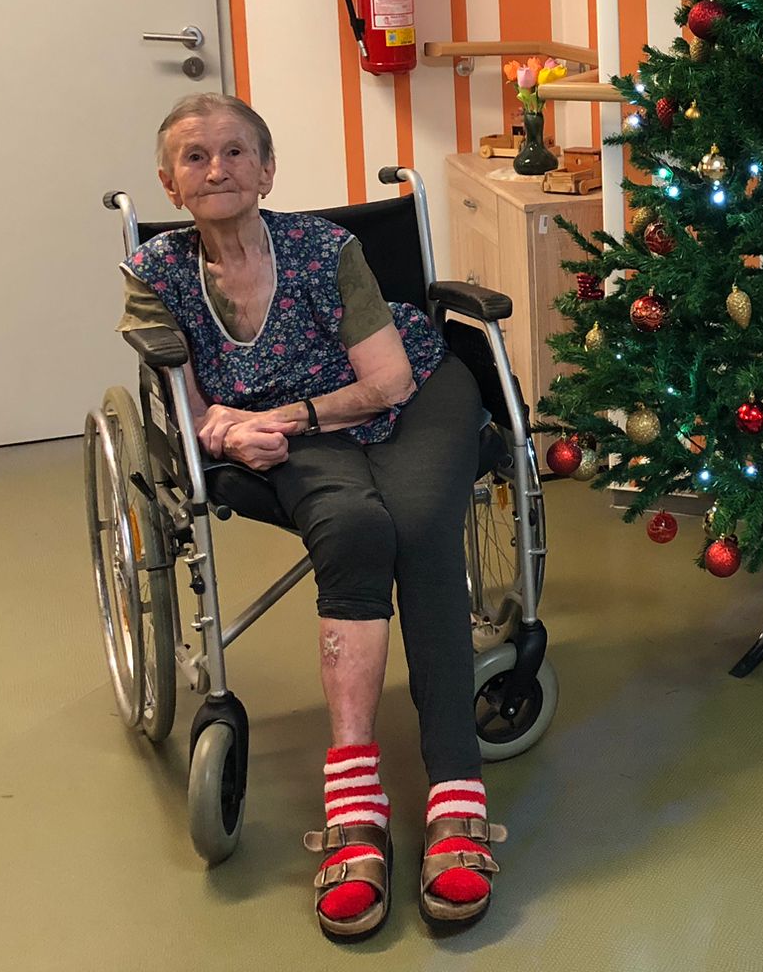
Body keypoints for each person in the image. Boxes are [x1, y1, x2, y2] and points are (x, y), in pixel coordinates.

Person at [119, 94, 502, 940]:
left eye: (235, 152)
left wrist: (275, 419)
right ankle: (355, 802)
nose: (216, 168)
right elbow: (190, 407)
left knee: (420, 528)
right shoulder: (156, 274)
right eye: (194, 157)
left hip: (410, 395)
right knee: (357, 530)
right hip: (288, 431)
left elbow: (387, 383)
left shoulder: (327, 250)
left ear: (267, 170)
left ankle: (456, 792)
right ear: (169, 185)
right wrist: (225, 429)